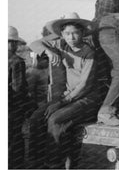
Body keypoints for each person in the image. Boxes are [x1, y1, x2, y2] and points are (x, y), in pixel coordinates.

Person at [27, 13, 101, 168]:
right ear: (61, 35)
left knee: (56, 119)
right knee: (36, 117)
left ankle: (54, 164)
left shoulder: (89, 53)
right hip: (67, 98)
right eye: (67, 33)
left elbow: (84, 86)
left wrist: (60, 102)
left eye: (75, 33)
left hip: (86, 99)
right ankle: (35, 162)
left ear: (82, 33)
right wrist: (48, 51)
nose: (71, 37)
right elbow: (34, 44)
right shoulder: (60, 45)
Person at [8, 26, 30, 169]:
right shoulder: (16, 61)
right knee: (15, 139)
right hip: (13, 108)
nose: (13, 45)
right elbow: (19, 88)